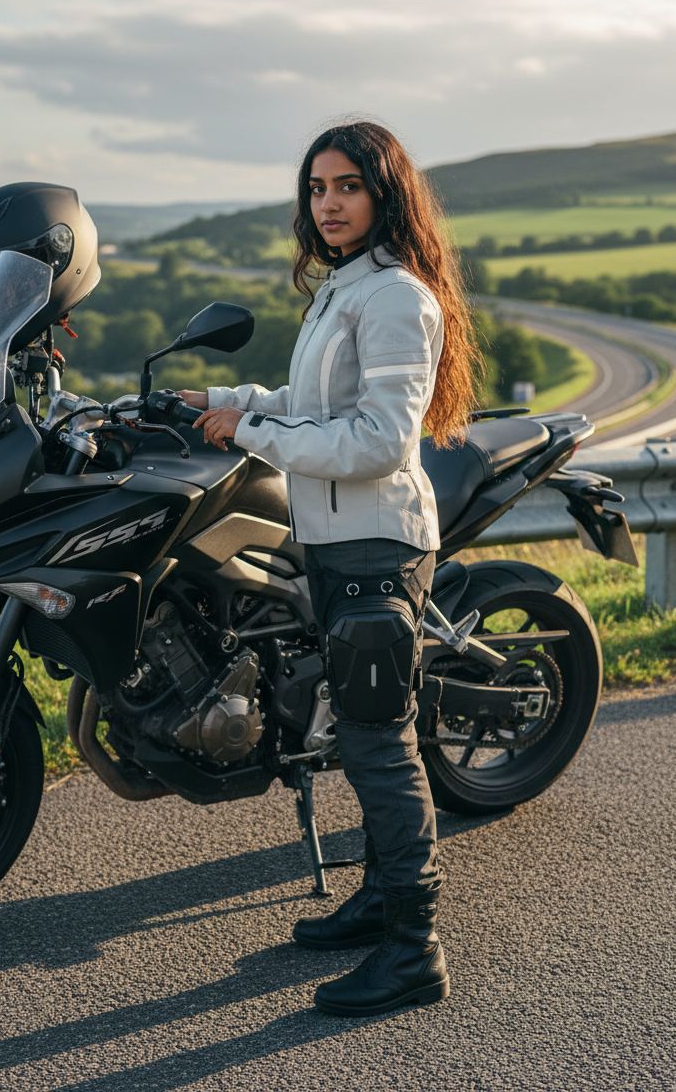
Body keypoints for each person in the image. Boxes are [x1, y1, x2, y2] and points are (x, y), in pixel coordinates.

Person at [184, 120, 482, 1016]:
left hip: (377, 547)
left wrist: (253, 432)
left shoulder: (394, 297)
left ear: (385, 193)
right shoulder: (344, 288)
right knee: (359, 735)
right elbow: (313, 403)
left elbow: (379, 440)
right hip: (336, 542)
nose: (329, 204)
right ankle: (382, 898)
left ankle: (415, 949)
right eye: (317, 188)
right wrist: (225, 400)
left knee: (381, 745)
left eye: (348, 186)